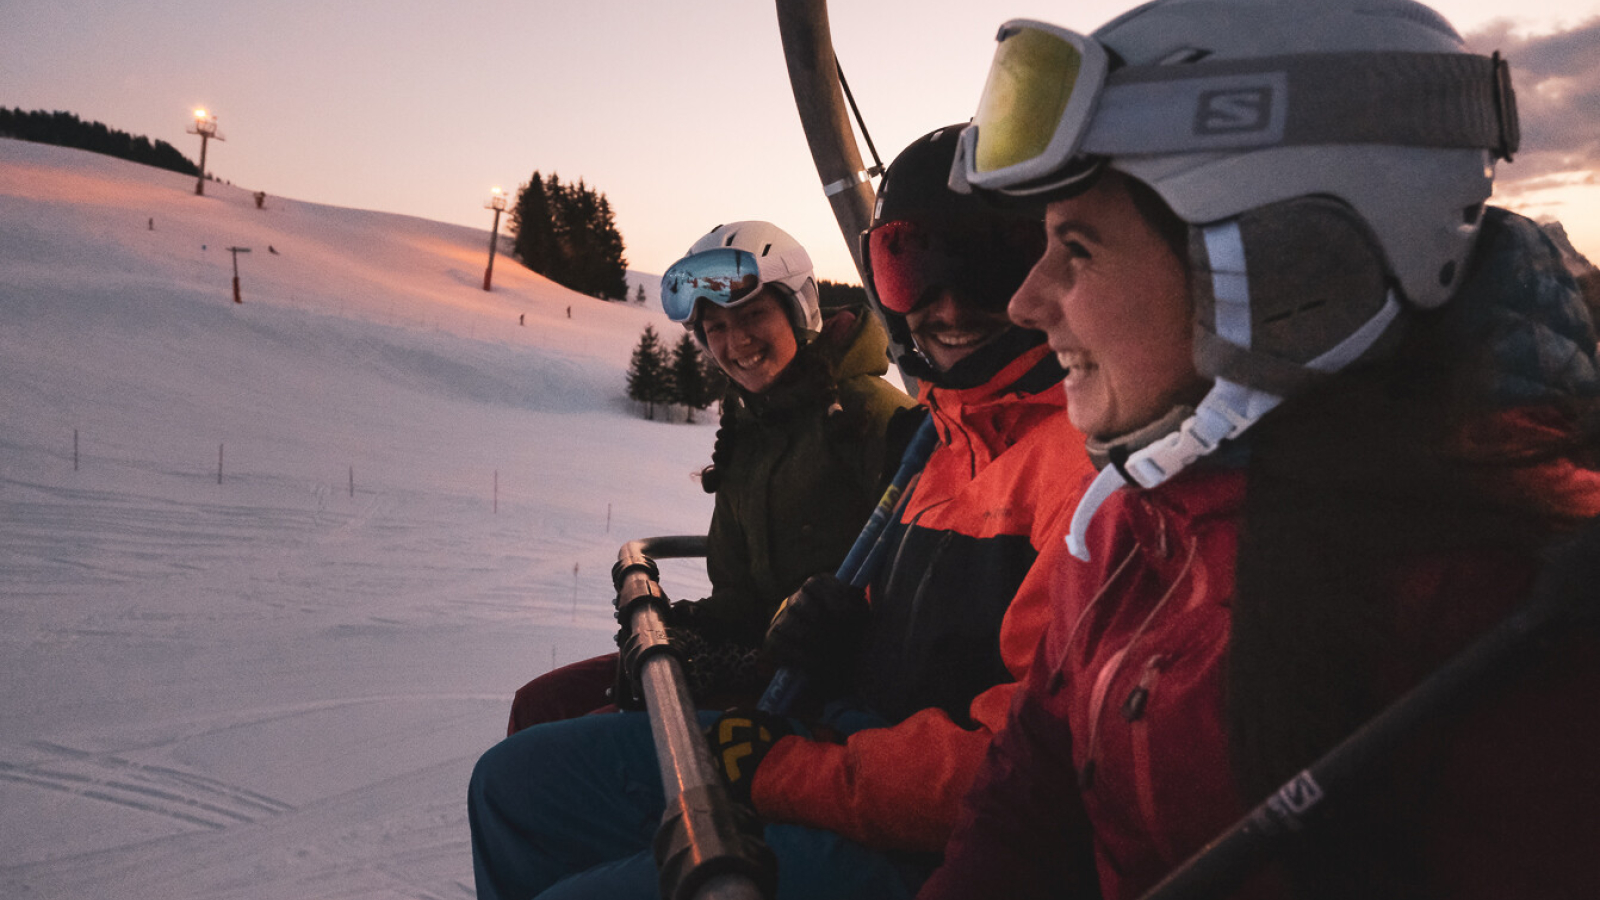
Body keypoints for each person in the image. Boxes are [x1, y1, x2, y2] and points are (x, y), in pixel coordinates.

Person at [918, 2, 1600, 899]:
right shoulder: (1134, 521)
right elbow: (1026, 803)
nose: (1026, 302)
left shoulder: (1515, 622)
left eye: (1075, 248)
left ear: (1282, 271)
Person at [468, 127, 1095, 899]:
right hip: (838, 728)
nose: (952, 303)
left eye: (994, 263)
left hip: (876, 782)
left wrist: (775, 716)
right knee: (515, 780)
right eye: (910, 269)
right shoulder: (927, 435)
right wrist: (774, 630)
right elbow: (885, 608)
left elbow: (1015, 754)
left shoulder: (891, 427)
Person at [505, 221, 913, 734]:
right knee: (542, 704)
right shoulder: (754, 426)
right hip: (759, 665)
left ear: (799, 310)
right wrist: (688, 629)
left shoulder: (872, 419)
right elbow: (745, 593)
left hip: (823, 687)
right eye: (714, 327)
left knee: (550, 753)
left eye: (752, 315)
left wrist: (757, 659)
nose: (734, 341)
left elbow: (918, 590)